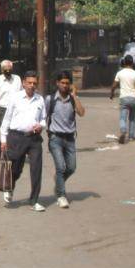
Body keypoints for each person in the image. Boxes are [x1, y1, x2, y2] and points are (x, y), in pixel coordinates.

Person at [0, 71, 46, 211]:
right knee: (15, 168)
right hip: (16, 137)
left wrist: (41, 125)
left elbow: (43, 118)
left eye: (34, 83)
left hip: (34, 138)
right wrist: (3, 139)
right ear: (24, 83)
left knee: (36, 169)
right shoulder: (15, 98)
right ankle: (9, 187)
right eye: (29, 83)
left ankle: (34, 200)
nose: (32, 86)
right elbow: (6, 119)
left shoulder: (40, 100)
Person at [45, 70, 86, 208]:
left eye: (67, 83)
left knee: (72, 167)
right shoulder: (50, 99)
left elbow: (82, 113)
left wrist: (75, 96)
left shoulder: (72, 100)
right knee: (61, 167)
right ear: (57, 83)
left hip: (70, 139)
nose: (64, 85)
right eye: (62, 83)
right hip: (55, 138)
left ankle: (58, 181)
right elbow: (42, 116)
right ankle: (61, 195)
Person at [110, 55, 135, 144]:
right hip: (134, 98)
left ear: (124, 62)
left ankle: (123, 130)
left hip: (124, 98)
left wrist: (112, 93)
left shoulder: (120, 73)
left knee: (122, 118)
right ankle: (131, 136)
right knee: (132, 119)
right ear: (132, 63)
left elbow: (114, 85)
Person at [0, 60, 22, 126]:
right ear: (2, 70)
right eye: (6, 69)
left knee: (16, 130)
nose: (8, 71)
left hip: (16, 109)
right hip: (2, 110)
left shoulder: (17, 79)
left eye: (10, 69)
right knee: (5, 130)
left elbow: (22, 94)